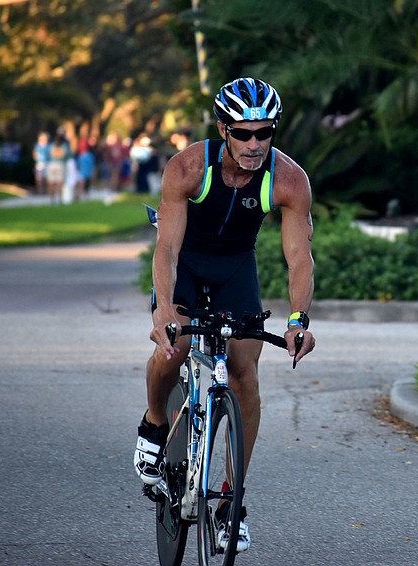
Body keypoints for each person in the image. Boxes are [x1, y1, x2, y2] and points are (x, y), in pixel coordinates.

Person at [133, 77, 316, 552]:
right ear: (222, 129)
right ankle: (154, 422)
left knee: (245, 376)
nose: (255, 143)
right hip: (187, 266)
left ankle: (231, 501)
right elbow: (168, 249)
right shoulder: (190, 167)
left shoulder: (290, 179)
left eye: (264, 131)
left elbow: (299, 258)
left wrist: (298, 321)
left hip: (236, 268)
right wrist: (166, 309)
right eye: (243, 132)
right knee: (174, 349)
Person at [46, 129, 70, 204]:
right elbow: (67, 155)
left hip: (52, 164)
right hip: (60, 164)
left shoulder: (51, 146)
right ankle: (60, 199)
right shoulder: (64, 145)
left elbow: (47, 154)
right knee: (60, 183)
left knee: (52, 183)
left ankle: (52, 199)